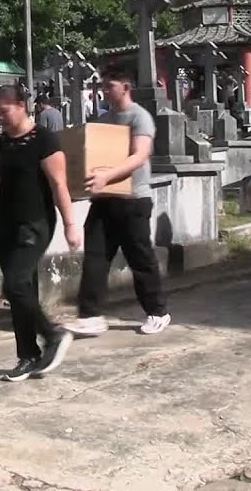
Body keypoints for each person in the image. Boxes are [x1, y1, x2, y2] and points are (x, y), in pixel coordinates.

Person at [0, 84, 80, 382]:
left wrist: (71, 224)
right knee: (22, 291)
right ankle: (28, 356)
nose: (0, 118)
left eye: (5, 111)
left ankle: (52, 335)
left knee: (15, 283)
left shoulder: (44, 140)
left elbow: (59, 185)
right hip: (6, 224)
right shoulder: (6, 142)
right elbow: (0, 184)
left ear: (22, 105)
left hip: (34, 224)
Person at [67, 66, 171, 338]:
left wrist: (108, 176)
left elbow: (139, 156)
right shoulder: (105, 119)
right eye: (103, 86)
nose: (104, 90)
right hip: (104, 199)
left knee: (140, 258)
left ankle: (157, 312)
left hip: (133, 199)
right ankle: (90, 315)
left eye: (109, 85)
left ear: (125, 87)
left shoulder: (140, 117)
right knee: (96, 257)